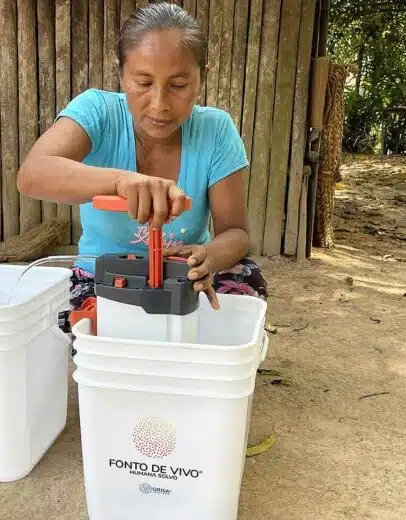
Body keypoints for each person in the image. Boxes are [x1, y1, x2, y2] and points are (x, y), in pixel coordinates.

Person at [18, 2, 267, 310]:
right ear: (121, 73)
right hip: (103, 274)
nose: (159, 104)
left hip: (184, 272)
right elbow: (32, 174)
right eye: (144, 82)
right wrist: (122, 181)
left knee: (246, 280)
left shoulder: (215, 131)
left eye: (178, 85)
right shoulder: (97, 112)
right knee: (91, 326)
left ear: (201, 78)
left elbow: (236, 232)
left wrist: (209, 258)